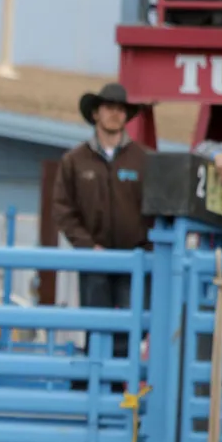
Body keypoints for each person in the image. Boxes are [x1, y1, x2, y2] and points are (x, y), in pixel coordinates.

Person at [52, 83, 150, 366]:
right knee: (96, 329)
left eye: (120, 109)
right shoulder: (74, 160)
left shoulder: (144, 160)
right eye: (108, 107)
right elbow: (62, 208)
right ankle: (95, 392)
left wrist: (145, 247)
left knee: (133, 330)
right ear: (96, 113)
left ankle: (123, 395)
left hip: (134, 260)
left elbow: (156, 208)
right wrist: (86, 244)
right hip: (94, 259)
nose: (114, 114)